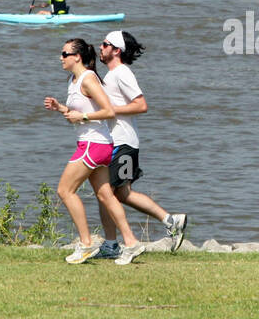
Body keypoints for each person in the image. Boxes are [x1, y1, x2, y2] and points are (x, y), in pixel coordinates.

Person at [44, 38, 145, 265]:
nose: (60, 58)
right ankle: (131, 243)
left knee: (65, 191)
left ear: (77, 57)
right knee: (105, 196)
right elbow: (81, 110)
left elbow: (108, 111)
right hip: (94, 144)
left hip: (94, 145)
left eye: (64, 54)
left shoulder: (88, 79)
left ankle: (86, 243)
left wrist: (84, 117)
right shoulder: (74, 79)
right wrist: (61, 108)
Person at [91, 30, 188, 258]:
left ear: (117, 50)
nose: (100, 47)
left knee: (106, 193)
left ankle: (114, 243)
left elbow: (141, 105)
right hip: (119, 142)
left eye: (105, 44)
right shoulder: (112, 75)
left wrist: (110, 111)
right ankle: (170, 221)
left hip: (122, 143)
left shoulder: (122, 73)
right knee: (121, 194)